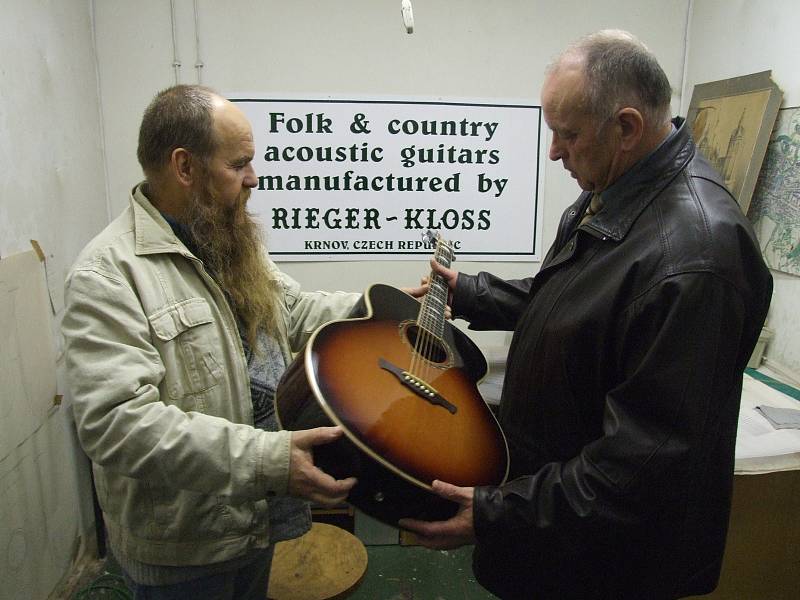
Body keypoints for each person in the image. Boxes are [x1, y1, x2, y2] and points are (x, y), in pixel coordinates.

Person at [399, 30, 773, 600]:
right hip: (560, 527)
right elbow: (575, 301)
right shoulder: (616, 187)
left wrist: (497, 512)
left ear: (625, 127)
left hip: (608, 564)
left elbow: (640, 468)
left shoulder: (697, 256)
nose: (554, 152)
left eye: (567, 135)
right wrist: (469, 291)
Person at [62, 85, 361, 599]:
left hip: (254, 518)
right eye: (239, 164)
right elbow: (117, 423)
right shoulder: (107, 274)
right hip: (186, 550)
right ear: (185, 167)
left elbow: (289, 311)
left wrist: (378, 311)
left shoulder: (224, 237)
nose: (254, 178)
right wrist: (268, 460)